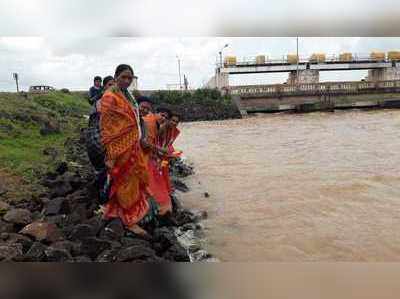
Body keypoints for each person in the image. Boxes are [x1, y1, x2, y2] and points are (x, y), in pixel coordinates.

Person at [99, 64, 158, 235]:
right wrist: (110, 153)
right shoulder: (110, 97)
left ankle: (115, 211)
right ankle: (129, 220)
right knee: (124, 182)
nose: (126, 80)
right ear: (116, 76)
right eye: (123, 77)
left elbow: (135, 120)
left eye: (129, 78)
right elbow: (108, 127)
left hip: (133, 146)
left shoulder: (128, 96)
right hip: (118, 148)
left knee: (134, 180)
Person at [142, 106, 173, 215]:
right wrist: (160, 152)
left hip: (154, 158)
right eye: (162, 115)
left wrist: (160, 154)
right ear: (156, 113)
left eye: (166, 117)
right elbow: (145, 143)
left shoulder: (166, 130)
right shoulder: (150, 123)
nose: (163, 118)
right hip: (145, 158)